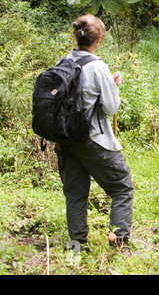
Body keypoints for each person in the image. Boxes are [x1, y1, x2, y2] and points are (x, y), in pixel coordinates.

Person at [55, 14, 134, 250]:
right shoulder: (98, 66)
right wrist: (111, 86)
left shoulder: (64, 62)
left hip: (65, 139)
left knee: (75, 194)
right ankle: (119, 242)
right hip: (93, 139)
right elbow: (110, 108)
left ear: (76, 36)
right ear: (98, 39)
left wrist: (107, 83)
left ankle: (77, 247)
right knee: (122, 187)